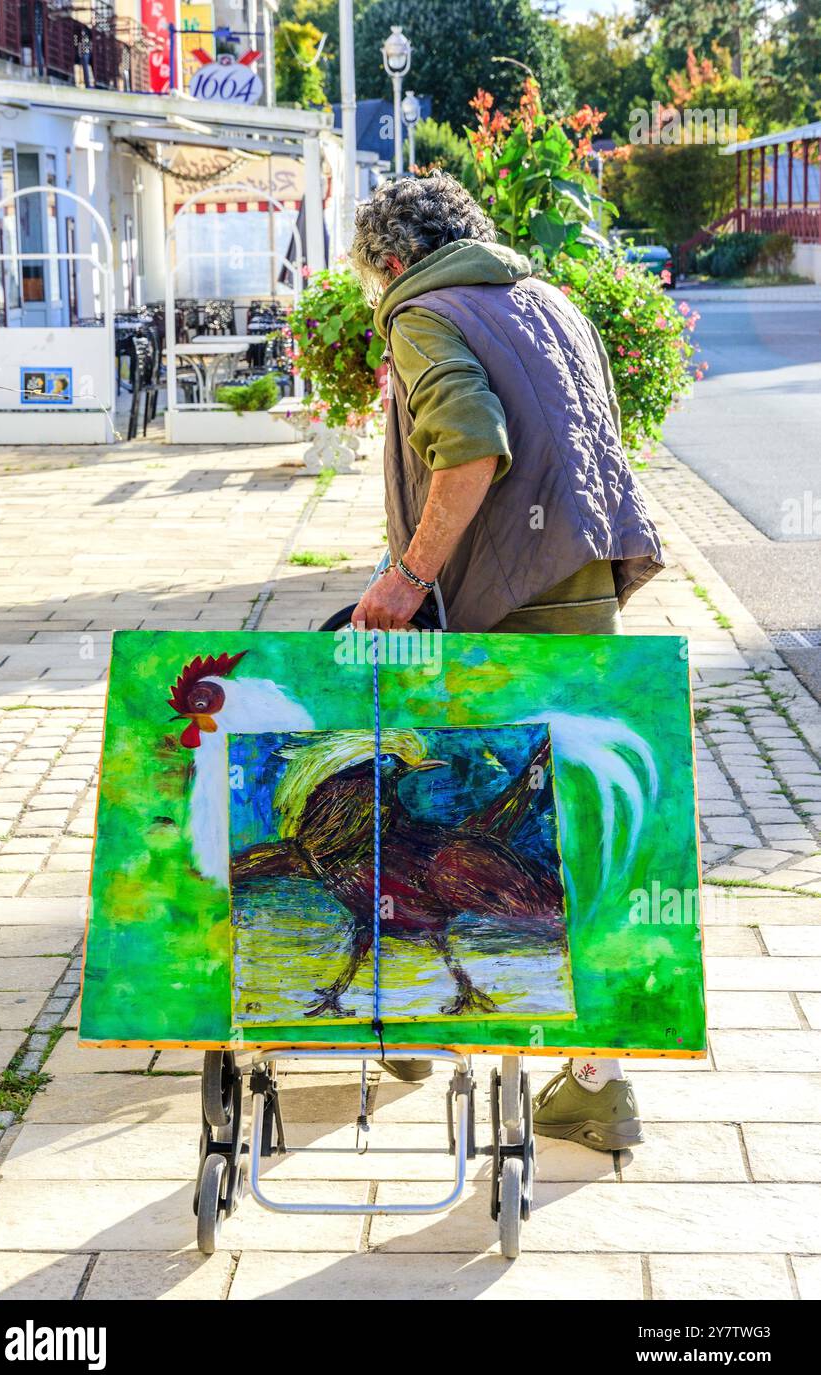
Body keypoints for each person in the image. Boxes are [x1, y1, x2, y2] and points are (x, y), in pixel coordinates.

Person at [348, 171, 663, 1152]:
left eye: (369, 283)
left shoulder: (421, 312)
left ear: (391, 262)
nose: (373, 301)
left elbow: (470, 446)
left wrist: (404, 577)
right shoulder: (547, 298)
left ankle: (410, 1025)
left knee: (432, 812)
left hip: (496, 611)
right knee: (576, 838)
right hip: (580, 597)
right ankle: (597, 1090)